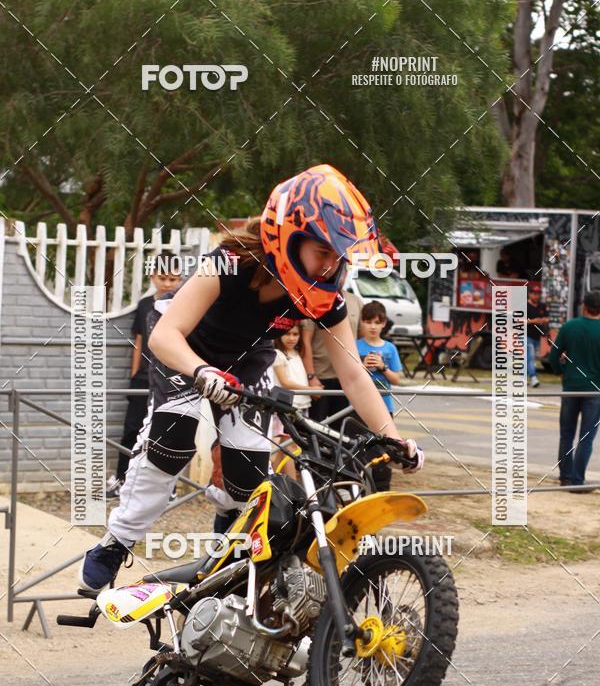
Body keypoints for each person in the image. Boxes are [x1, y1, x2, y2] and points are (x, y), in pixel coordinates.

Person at [79, 164, 424, 593]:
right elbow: (165, 335)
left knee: (247, 469)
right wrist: (201, 371)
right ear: (288, 235)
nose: (330, 265)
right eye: (323, 252)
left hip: (246, 362)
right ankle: (117, 541)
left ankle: (227, 541)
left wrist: (393, 438)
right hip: (186, 350)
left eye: (339, 255)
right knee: (175, 436)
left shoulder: (325, 297)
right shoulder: (227, 264)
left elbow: (353, 373)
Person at [106, 262, 182, 498]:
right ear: (152, 276)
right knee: (131, 429)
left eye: (173, 279)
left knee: (168, 433)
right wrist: (134, 373)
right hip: (143, 377)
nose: (167, 283)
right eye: (163, 277)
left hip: (173, 378)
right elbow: (138, 341)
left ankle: (168, 488)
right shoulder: (144, 305)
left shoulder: (184, 305)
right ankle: (121, 479)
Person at [550, 290, 600, 492]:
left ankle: (565, 477)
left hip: (570, 387)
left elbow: (554, 355)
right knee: (586, 437)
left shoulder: (569, 326)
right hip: (595, 391)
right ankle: (578, 481)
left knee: (566, 434)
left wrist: (561, 372)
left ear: (583, 306)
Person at [301, 288, 361, 424]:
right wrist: (311, 376)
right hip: (320, 376)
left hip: (345, 377)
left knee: (340, 429)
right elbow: (305, 341)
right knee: (315, 427)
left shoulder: (355, 300)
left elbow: (361, 337)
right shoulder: (315, 298)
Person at [270, 323, 311, 477]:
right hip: (286, 405)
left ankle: (275, 482)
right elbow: (285, 382)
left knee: (285, 447)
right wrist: (311, 390)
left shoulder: (297, 353)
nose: (291, 338)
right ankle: (292, 484)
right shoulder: (278, 354)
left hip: (300, 404)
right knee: (289, 446)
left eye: (295, 334)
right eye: (287, 334)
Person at [356, 301, 403, 414]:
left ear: (384, 323)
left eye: (377, 323)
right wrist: (363, 367)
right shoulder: (354, 346)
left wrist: (383, 367)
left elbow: (396, 380)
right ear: (362, 322)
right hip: (358, 407)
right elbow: (348, 378)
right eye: (368, 322)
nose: (373, 326)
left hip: (384, 406)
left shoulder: (390, 348)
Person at [526, 283, 549, 388]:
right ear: (529, 294)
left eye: (538, 294)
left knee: (529, 358)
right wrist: (533, 321)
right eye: (534, 293)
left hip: (537, 337)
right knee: (530, 357)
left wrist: (542, 320)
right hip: (526, 335)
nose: (536, 296)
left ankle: (523, 378)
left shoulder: (542, 306)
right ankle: (534, 377)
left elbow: (547, 318)